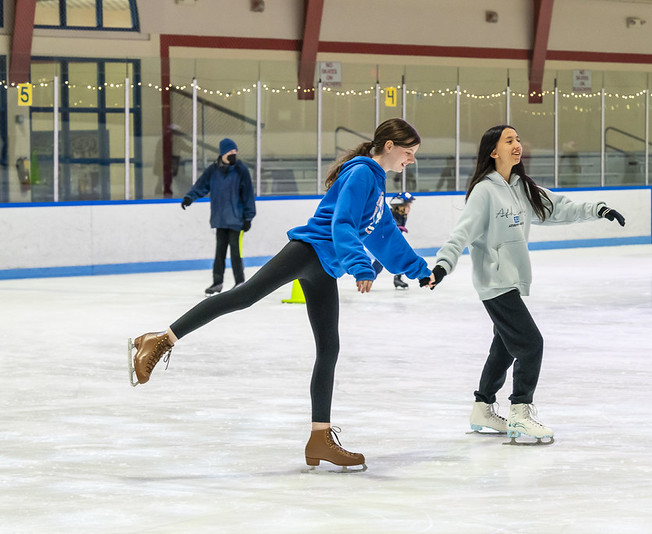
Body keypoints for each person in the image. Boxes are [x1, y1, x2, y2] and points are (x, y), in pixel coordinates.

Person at [129, 118, 432, 471]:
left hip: (325, 267)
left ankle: (320, 438)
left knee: (329, 347)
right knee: (243, 296)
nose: (411, 160)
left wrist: (418, 269)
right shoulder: (363, 173)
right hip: (308, 250)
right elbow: (342, 223)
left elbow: (384, 235)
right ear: (390, 147)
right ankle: (160, 339)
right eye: (408, 153)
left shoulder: (375, 183)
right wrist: (360, 266)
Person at [421, 125, 626, 443]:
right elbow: (461, 232)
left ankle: (483, 408)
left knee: (504, 348)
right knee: (531, 344)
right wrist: (443, 266)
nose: (517, 145)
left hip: (511, 280)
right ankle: (520, 412)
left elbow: (559, 208)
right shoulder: (484, 191)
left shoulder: (521, 186)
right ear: (494, 151)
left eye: (517, 139)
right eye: (509, 141)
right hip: (494, 281)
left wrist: (599, 209)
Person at [181, 138, 256, 295]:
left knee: (236, 252)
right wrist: (189, 197)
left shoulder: (241, 170)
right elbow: (200, 186)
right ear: (223, 153)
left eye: (235, 152)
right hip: (220, 219)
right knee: (220, 252)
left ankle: (240, 282)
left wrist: (248, 217)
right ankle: (217, 282)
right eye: (230, 152)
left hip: (237, 219)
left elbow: (248, 194)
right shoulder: (213, 171)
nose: (233, 155)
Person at [371, 191, 415, 288]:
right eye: (407, 206)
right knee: (380, 262)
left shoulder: (403, 216)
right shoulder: (390, 214)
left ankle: (397, 278)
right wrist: (397, 227)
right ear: (399, 206)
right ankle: (369, 278)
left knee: (400, 257)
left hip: (391, 242)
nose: (409, 208)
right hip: (383, 242)